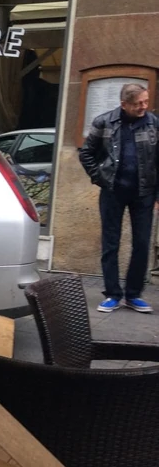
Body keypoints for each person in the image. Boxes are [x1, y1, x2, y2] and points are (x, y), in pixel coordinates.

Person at [79, 82, 159, 313]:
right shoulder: (104, 122)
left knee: (142, 243)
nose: (143, 106)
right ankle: (112, 294)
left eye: (146, 101)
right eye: (138, 103)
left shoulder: (154, 124)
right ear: (124, 104)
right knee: (110, 243)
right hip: (113, 191)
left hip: (144, 192)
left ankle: (133, 295)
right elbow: (86, 153)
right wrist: (100, 178)